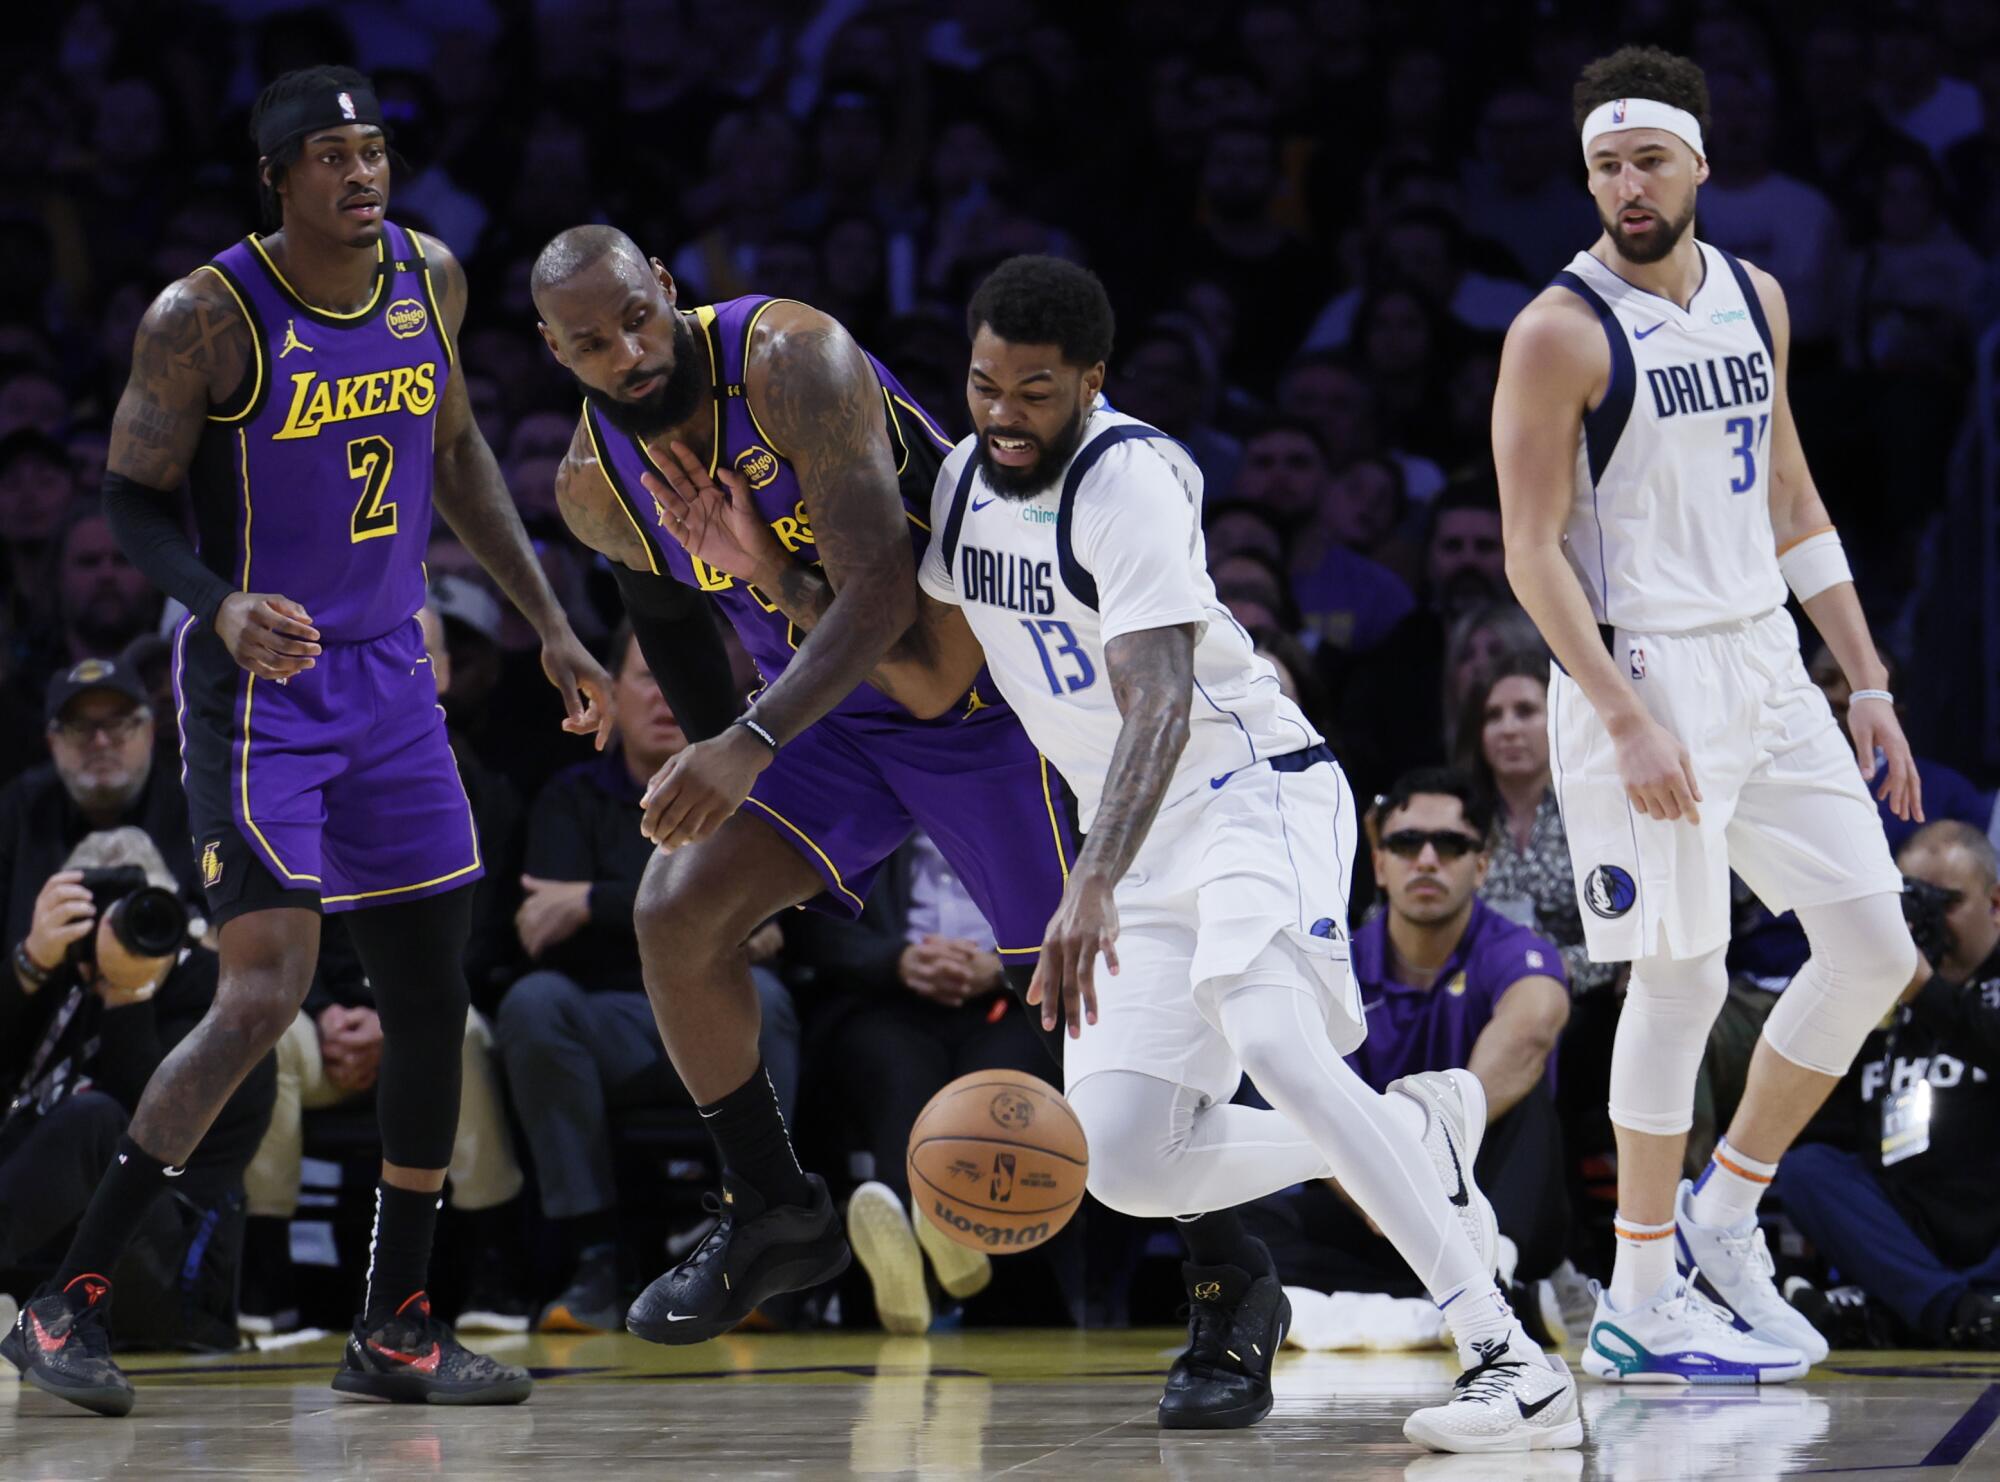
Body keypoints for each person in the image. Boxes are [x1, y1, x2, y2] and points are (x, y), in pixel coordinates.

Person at [657, 255, 1581, 1454]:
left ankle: (1504, 1355)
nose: (1000, 414)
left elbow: (1156, 701)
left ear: (1092, 382)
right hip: (1134, 838)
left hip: (1249, 796)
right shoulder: (961, 488)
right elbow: (923, 662)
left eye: (1033, 391)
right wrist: (763, 571)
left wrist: (1085, 878)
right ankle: (1414, 1133)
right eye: (985, 384)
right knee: (1133, 1162)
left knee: (1271, 1045)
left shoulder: (1131, 482)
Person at [3, 66, 610, 1417]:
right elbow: (126, 496)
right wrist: (216, 602)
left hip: (392, 672)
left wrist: (551, 623)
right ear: (276, 178)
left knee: (428, 998)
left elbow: (454, 451)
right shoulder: (202, 318)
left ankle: (396, 1320)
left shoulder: (432, 279)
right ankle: (67, 1301)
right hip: (258, 684)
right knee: (262, 992)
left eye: (374, 148)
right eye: (330, 154)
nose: (361, 173)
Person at [1491, 44, 1929, 1383]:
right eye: (1606, 167)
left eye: (1649, 160)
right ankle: (1634, 1294)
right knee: (1676, 972)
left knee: (1874, 948)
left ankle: (1725, 1210)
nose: (1627, 185)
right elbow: (1530, 550)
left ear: (1701, 164)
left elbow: (1793, 499)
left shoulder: (1759, 296)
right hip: (1644, 675)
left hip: (1764, 665)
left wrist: (1866, 679)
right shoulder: (1559, 328)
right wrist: (1623, 716)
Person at [495, 620, 800, 1334]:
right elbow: (540, 933)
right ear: (610, 693)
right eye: (644, 678)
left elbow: (784, 935)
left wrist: (592, 902)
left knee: (778, 1000)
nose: (664, 697)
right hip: (612, 1023)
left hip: (725, 1017)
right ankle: (595, 1256)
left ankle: (754, 1232)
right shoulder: (569, 795)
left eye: (680, 678)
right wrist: (713, 928)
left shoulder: (754, 795)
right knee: (534, 1006)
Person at [0, 660, 275, 1348]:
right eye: (100, 904)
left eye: (141, 904)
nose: (120, 924)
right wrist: (31, 964)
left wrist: (129, 996)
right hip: (46, 1266)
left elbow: (151, 1131)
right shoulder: (63, 975)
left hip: (167, 1275)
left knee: (96, 1120)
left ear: (175, 911)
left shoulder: (224, 1006)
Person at [1778, 823, 2000, 1350]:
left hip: (1991, 1218)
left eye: (1944, 903)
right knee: (1806, 1169)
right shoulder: (1880, 996)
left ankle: (1895, 1310)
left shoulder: (1923, 985)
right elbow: (1825, 1125)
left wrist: (1922, 988)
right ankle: (1955, 1311)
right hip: (1908, 1226)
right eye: (1912, 905)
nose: (1926, 922)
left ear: (1995, 903)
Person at [1455, 651, 1615, 994]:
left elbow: (1623, 931)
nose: (1508, 728)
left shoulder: (1597, 814)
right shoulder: (1457, 818)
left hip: (1573, 994)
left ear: (1559, 719)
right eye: (1493, 716)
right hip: (1468, 987)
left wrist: (1560, 966)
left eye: (1525, 712)